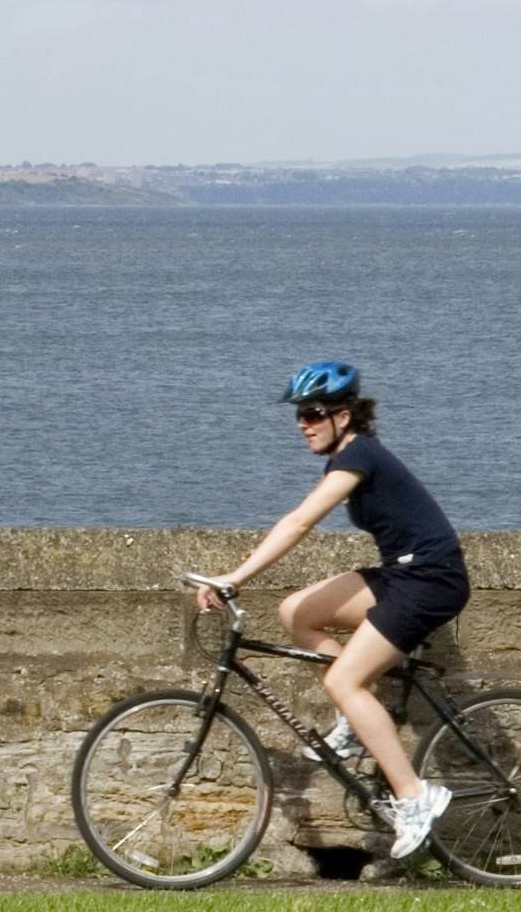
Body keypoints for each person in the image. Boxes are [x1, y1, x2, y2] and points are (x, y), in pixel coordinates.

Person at [192, 360, 472, 859]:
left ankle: (415, 797)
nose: (304, 423)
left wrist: (234, 577)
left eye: (315, 413)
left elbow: (299, 522)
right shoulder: (345, 459)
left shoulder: (359, 455)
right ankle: (358, 721)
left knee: (342, 680)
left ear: (345, 416)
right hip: (402, 574)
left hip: (430, 580)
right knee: (296, 612)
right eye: (300, 414)